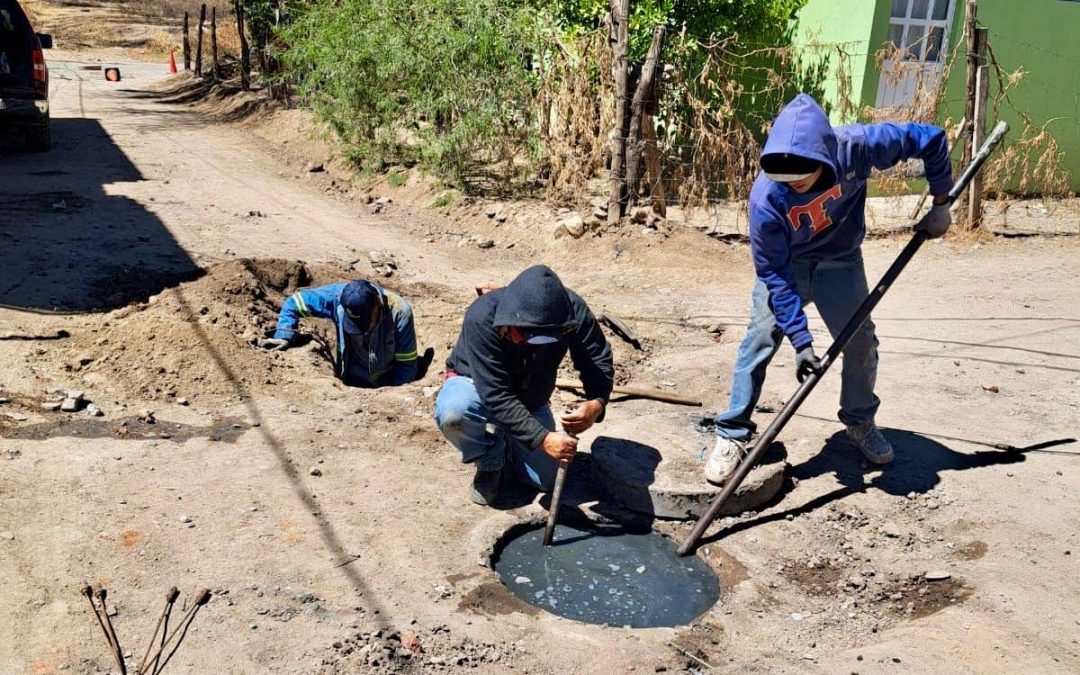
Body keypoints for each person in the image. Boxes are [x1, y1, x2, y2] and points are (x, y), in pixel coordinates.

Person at [705, 93, 954, 485]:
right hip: (790, 266)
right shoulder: (766, 198)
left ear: (823, 158)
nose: (794, 185)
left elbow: (931, 139)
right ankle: (732, 432)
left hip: (842, 262)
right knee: (759, 341)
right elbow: (773, 274)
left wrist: (942, 203)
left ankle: (859, 421)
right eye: (786, 180)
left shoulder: (857, 147)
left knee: (860, 343)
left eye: (802, 179)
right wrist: (801, 343)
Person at [434, 265, 614, 505]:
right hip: (475, 385)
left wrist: (597, 402)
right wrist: (542, 438)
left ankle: (510, 439)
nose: (533, 345)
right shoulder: (483, 316)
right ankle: (489, 461)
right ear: (507, 323)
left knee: (544, 482)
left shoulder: (571, 312)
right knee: (454, 413)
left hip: (531, 396)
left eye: (544, 339)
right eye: (525, 336)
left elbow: (596, 358)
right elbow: (495, 394)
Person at [259, 279, 419, 388]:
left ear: (377, 305)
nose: (362, 331)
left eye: (365, 323)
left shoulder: (399, 313)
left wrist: (395, 395)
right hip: (352, 378)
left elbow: (406, 365)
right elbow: (294, 302)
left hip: (386, 382)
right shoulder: (336, 299)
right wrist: (283, 335)